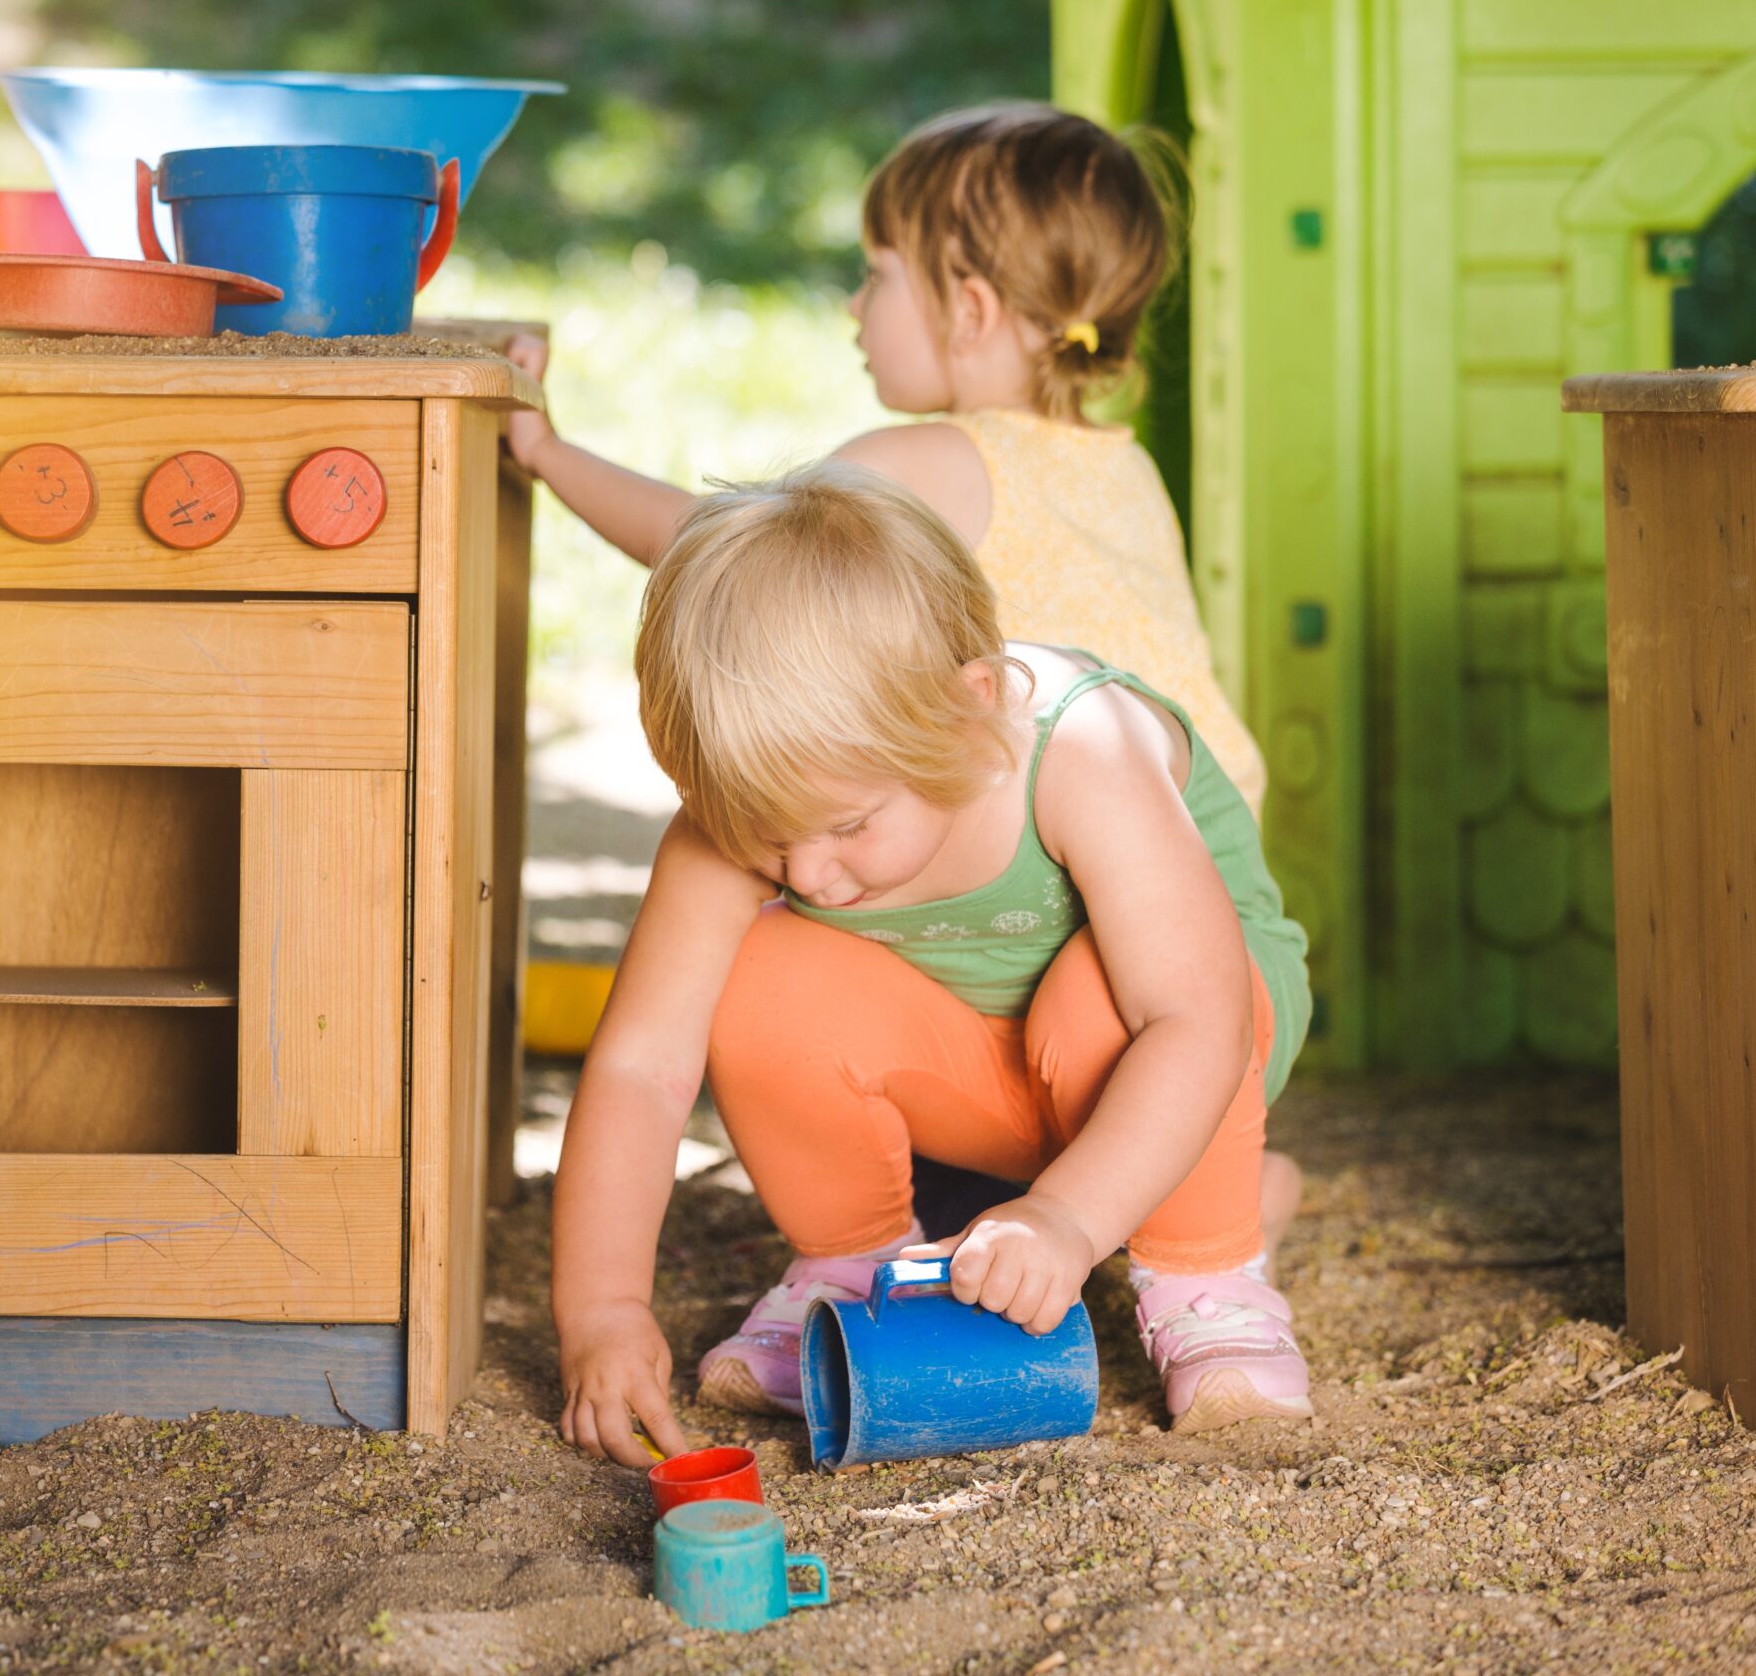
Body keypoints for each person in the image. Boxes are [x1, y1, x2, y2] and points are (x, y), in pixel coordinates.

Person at [550, 464, 1313, 1466]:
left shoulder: (1080, 751)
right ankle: (852, 1266)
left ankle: (1210, 1265)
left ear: (971, 706)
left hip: (1186, 1048)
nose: (810, 874)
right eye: (766, 844)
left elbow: (1195, 1020)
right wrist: (602, 1312)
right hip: (983, 1080)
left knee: (1095, 996)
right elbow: (642, 1068)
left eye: (847, 826)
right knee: (758, 969)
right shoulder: (760, 815)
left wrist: (1065, 1220)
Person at [504, 99, 1267, 816]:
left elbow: (713, 546)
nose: (853, 305)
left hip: (1108, 843)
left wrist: (546, 451)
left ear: (970, 311)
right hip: (1217, 824)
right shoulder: (1123, 465)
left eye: (877, 274)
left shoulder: (936, 461)